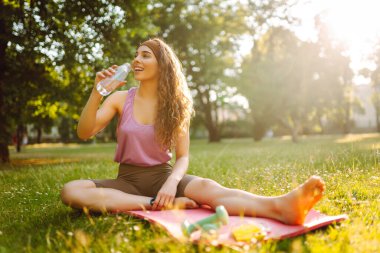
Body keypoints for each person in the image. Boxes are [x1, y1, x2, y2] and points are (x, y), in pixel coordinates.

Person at [60, 38, 325, 225]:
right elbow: (85, 132)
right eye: (136, 54)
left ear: (162, 65)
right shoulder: (119, 98)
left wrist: (172, 183)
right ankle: (154, 203)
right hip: (126, 183)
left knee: (209, 188)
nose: (136, 60)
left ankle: (280, 207)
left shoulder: (175, 106)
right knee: (71, 191)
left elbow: (183, 157)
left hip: (164, 177)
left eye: (145, 55)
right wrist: (97, 92)